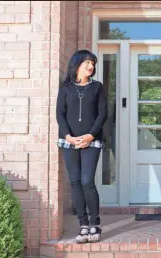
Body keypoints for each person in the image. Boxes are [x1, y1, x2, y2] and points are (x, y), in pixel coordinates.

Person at [56, 50, 108, 243]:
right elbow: (60, 114)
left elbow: (103, 114)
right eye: (87, 62)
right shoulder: (66, 88)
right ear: (76, 64)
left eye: (93, 63)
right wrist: (68, 136)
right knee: (75, 182)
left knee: (87, 181)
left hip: (92, 141)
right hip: (69, 142)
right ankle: (83, 225)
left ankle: (95, 224)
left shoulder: (97, 87)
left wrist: (90, 135)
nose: (91, 66)